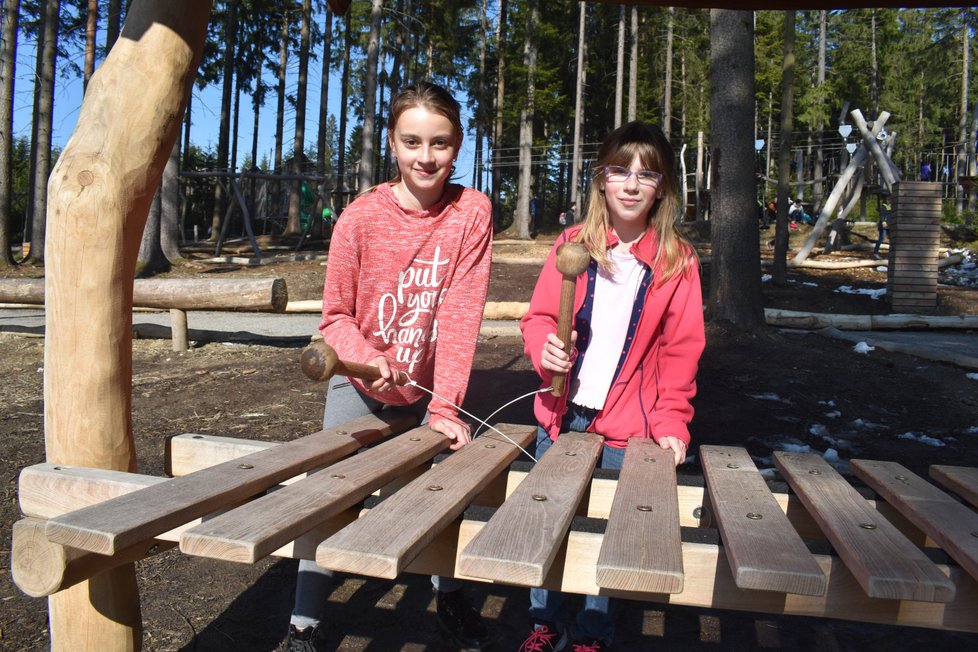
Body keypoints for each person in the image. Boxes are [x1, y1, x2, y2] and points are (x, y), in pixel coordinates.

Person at [286, 81, 495, 652]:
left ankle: (449, 598)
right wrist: (372, 359)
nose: (426, 157)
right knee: (329, 491)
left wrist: (446, 405)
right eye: (412, 142)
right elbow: (334, 316)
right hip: (358, 382)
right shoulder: (358, 218)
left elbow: (458, 316)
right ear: (392, 143)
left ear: (457, 146)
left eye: (440, 143)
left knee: (441, 489)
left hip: (428, 388)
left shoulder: (471, 212)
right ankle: (304, 622)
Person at [518, 121, 705, 652]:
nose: (630, 184)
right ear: (601, 179)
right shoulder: (572, 244)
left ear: (663, 187)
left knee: (607, 535)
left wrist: (673, 421)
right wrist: (542, 350)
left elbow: (680, 351)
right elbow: (536, 319)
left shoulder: (677, 261)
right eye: (619, 170)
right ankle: (542, 625)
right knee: (547, 525)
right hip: (561, 415)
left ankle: (590, 634)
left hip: (631, 429)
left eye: (646, 175)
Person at [873, 194, 892, 260]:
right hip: (884, 226)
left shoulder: (891, 207)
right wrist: (884, 222)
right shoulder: (883, 207)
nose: (888, 201)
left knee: (891, 240)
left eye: (890, 199)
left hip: (890, 226)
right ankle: (875, 253)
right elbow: (882, 216)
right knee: (881, 239)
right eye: (887, 199)